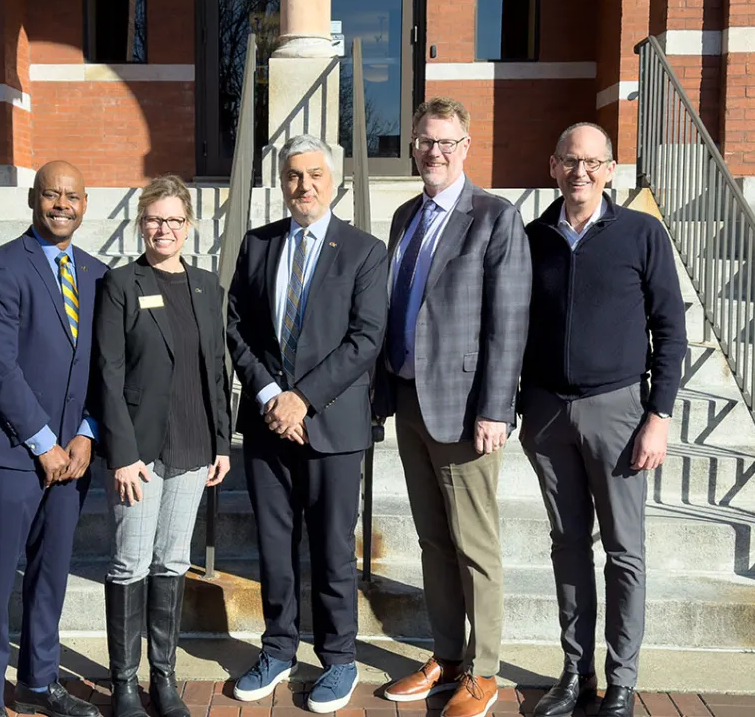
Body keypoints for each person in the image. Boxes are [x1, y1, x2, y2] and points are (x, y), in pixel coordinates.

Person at [519, 123, 686, 717]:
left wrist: (658, 415)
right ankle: (574, 673)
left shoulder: (641, 234)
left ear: (611, 169)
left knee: (623, 551)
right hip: (545, 414)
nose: (580, 172)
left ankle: (621, 680)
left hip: (618, 413)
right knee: (567, 547)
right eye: (570, 161)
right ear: (553, 165)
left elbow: (670, 331)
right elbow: (513, 324)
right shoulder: (533, 236)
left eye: (592, 162)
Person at [372, 97, 532, 717]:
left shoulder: (494, 217)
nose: (433, 152)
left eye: (445, 142)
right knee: (433, 540)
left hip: (466, 410)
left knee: (475, 545)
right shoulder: (404, 216)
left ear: (466, 147)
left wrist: (496, 408)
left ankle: (484, 672)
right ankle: (447, 655)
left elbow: (508, 324)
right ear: (412, 146)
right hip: (410, 400)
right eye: (423, 141)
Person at [225, 134, 388, 713]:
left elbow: (366, 338)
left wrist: (304, 400)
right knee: (274, 546)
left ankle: (339, 658)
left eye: (315, 175)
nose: (304, 186)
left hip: (333, 427)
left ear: (334, 180)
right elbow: (237, 325)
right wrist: (273, 395)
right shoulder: (258, 244)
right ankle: (277, 648)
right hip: (270, 423)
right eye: (294, 175)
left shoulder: (364, 251)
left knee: (331, 548)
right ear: (282, 181)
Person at [0, 160, 107, 717]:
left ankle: (40, 683)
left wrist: (87, 436)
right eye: (52, 195)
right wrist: (43, 443)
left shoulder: (98, 275)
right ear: (33, 198)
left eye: (72, 196)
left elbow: (105, 368)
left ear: (85, 203)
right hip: (11, 454)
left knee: (50, 576)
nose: (62, 205)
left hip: (72, 457)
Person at [90, 174, 232, 717]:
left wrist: (222, 440)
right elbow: (108, 371)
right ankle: (124, 682)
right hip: (139, 453)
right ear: (140, 223)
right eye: (154, 219)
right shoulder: (121, 283)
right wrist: (121, 452)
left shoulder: (205, 285)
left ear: (189, 225)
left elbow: (214, 371)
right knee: (130, 563)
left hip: (194, 446)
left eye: (174, 219)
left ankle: (163, 678)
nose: (164, 229)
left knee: (172, 561)